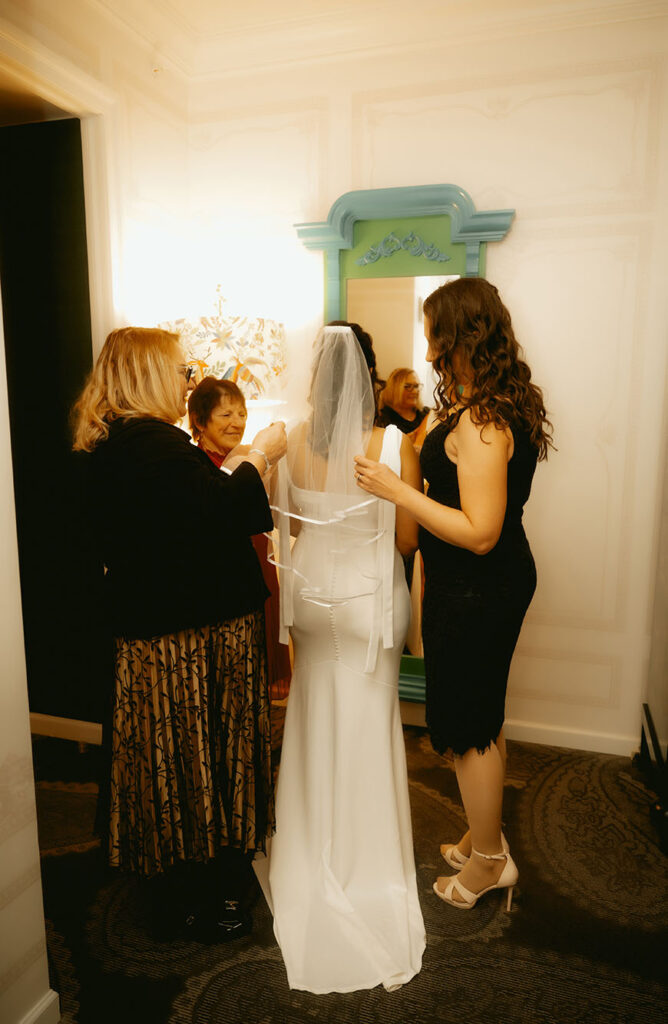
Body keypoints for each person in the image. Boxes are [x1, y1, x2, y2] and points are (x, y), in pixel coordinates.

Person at [71, 326, 287, 940]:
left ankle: (180, 885)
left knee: (171, 763)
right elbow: (217, 511)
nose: (187, 379)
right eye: (179, 368)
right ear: (145, 376)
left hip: (158, 631)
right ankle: (211, 890)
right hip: (192, 636)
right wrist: (262, 454)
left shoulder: (116, 442)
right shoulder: (153, 444)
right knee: (203, 755)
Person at [354, 278, 553, 912]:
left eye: (437, 333)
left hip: (479, 586)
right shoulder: (483, 405)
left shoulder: (485, 418)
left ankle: (491, 861)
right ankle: (482, 834)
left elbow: (481, 532)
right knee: (480, 713)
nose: (432, 349)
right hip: (472, 585)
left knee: (469, 724)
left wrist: (397, 490)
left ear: (464, 334)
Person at [259, 324, 426, 993]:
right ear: (369, 375)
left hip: (316, 596)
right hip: (369, 600)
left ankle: (307, 851)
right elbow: (408, 535)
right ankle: (368, 861)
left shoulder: (293, 442)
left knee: (312, 718)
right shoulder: (391, 444)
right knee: (368, 723)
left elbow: (288, 528)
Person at [188, 376, 291, 701]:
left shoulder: (253, 457)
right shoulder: (194, 466)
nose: (237, 423)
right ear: (200, 421)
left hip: (259, 553)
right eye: (225, 414)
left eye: (242, 414)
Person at [378, 368, 431, 450]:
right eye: (407, 387)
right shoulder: (383, 419)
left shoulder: (426, 413)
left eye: (416, 386)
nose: (414, 391)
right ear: (394, 389)